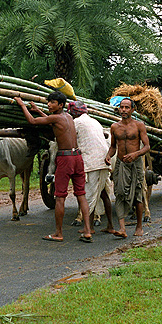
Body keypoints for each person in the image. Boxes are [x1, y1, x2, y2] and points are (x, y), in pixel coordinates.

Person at [14, 91, 92, 242]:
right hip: (77, 157)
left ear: (60, 105)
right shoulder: (68, 117)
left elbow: (32, 121)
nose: (49, 104)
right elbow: (52, 121)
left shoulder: (56, 118)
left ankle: (58, 233)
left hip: (65, 159)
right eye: (48, 102)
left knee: (60, 197)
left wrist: (22, 104)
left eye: (52, 102)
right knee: (81, 194)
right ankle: (88, 231)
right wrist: (39, 110)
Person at [68, 100, 115, 235]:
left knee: (88, 196)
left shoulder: (76, 123)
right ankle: (110, 225)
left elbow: (71, 141)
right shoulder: (95, 121)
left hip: (90, 164)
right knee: (103, 193)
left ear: (73, 112)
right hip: (104, 162)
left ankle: (88, 229)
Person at [106, 98, 150, 238]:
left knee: (137, 194)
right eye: (121, 107)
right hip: (121, 163)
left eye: (126, 107)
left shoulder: (139, 126)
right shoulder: (114, 127)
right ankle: (122, 229)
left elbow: (147, 146)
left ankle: (139, 227)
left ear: (132, 110)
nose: (124, 110)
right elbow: (113, 147)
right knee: (119, 193)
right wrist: (108, 155)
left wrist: (135, 154)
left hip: (135, 164)